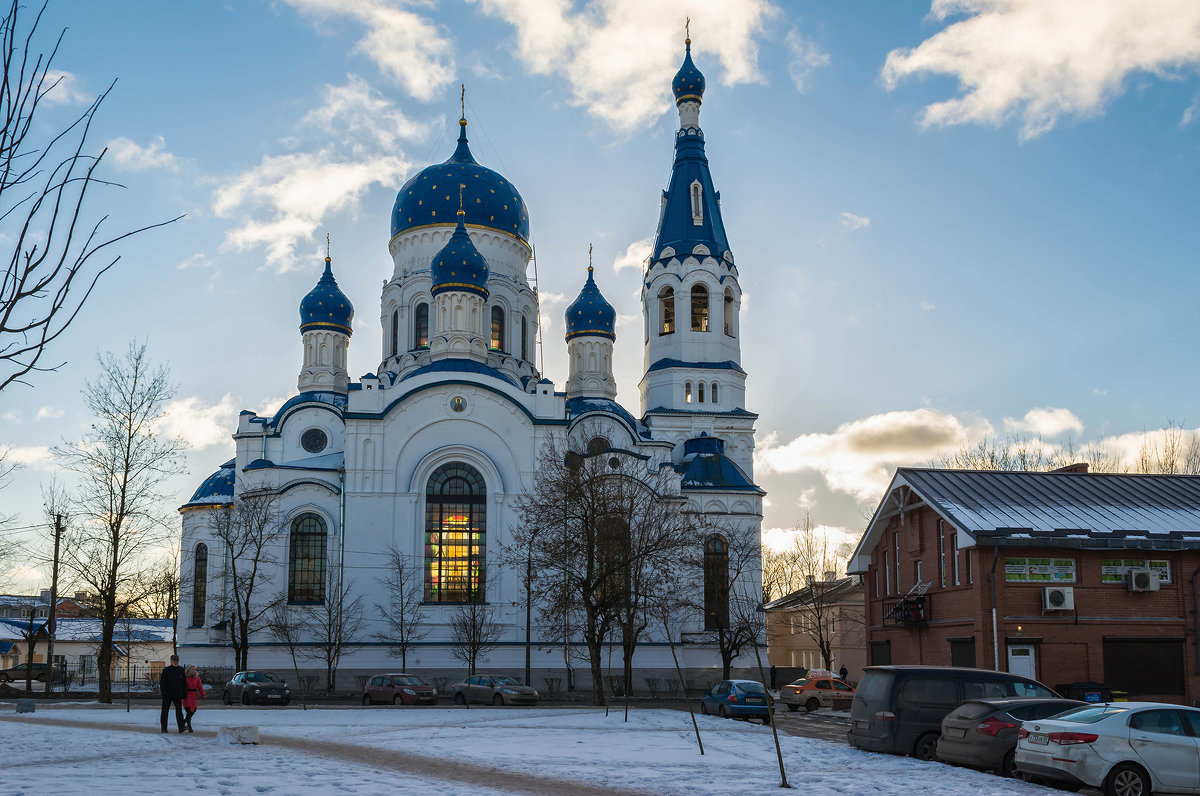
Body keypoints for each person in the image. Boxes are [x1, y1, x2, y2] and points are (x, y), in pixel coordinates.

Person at [159, 654, 186, 733]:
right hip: (167, 694)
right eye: (174, 661)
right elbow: (162, 683)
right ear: (171, 661)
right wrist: (164, 693)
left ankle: (181, 727)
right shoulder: (166, 670)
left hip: (177, 694)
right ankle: (164, 728)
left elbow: (184, 683)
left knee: (179, 712)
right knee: (165, 712)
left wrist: (184, 693)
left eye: (177, 661)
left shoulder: (181, 670)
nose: (175, 662)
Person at [182, 664, 206, 733]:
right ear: (189, 670)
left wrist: (203, 694)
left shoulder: (197, 678)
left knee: (193, 711)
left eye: (195, 669)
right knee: (189, 711)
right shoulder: (185, 678)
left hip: (194, 696)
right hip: (186, 696)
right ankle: (189, 727)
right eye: (192, 669)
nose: (194, 671)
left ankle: (183, 723)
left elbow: (200, 687)